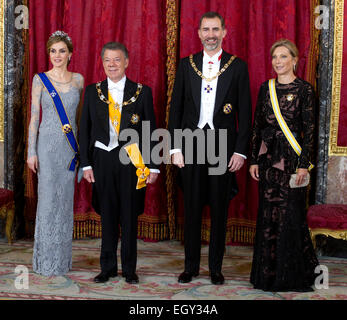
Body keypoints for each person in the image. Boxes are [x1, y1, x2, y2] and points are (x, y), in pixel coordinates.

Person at [168, 12, 252, 285]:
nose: (211, 34)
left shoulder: (237, 66)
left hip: (222, 147)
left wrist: (240, 151)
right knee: (191, 209)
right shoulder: (186, 65)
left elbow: (246, 114)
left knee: (219, 209)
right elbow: (176, 109)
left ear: (224, 32)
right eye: (206, 29)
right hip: (191, 144)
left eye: (216, 29)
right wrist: (174, 147)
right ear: (199, 33)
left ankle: (216, 267)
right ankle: (190, 266)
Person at [79, 42, 159, 284]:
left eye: (117, 60)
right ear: (102, 63)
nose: (112, 64)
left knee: (129, 214)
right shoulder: (93, 91)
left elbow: (149, 129)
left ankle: (130, 269)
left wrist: (153, 165)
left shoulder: (141, 91)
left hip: (132, 160)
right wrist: (86, 164)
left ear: (126, 62)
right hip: (102, 158)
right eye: (107, 60)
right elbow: (85, 130)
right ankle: (108, 267)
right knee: (108, 215)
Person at [249, 39, 319, 292]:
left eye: (283, 57)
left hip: (292, 161)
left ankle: (291, 276)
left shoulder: (305, 90)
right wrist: (255, 159)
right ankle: (266, 276)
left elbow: (309, 130)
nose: (278, 62)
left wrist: (304, 165)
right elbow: (257, 126)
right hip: (268, 161)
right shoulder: (265, 89)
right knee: (269, 215)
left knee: (291, 215)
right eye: (274, 57)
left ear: (294, 59)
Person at [27, 31, 84, 276]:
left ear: (70, 53)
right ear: (48, 54)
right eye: (53, 51)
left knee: (64, 202)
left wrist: (81, 152)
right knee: (48, 201)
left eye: (62, 51)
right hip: (47, 148)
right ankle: (45, 261)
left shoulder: (79, 80)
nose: (57, 55)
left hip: (69, 149)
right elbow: (34, 118)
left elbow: (80, 119)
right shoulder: (40, 79)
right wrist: (31, 151)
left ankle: (62, 261)